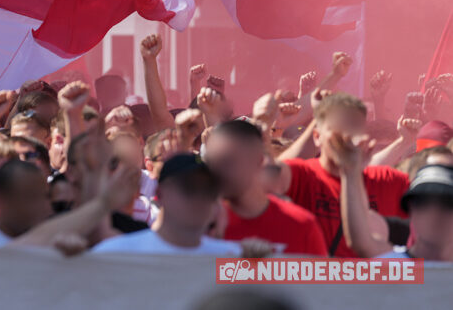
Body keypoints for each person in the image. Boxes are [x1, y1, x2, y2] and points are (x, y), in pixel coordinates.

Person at [274, 92, 408, 256]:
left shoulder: (386, 180)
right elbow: (265, 175)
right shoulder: (301, 175)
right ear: (317, 136)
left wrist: (405, 141)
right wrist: (271, 125)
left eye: (354, 129)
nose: (347, 137)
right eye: (338, 130)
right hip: (310, 280)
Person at [204, 119, 327, 255]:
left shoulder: (301, 225)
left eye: (227, 162)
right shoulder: (199, 225)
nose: (215, 171)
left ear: (259, 161)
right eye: (210, 163)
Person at [328, 131, 453, 261]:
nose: (434, 211)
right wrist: (350, 173)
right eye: (421, 201)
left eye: (447, 201)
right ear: (410, 208)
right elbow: (360, 241)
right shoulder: (394, 265)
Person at [92, 154, 242, 255]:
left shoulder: (230, 257)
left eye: (208, 189)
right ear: (160, 194)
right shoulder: (120, 253)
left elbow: (262, 283)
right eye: (188, 188)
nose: (199, 197)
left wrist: (260, 258)